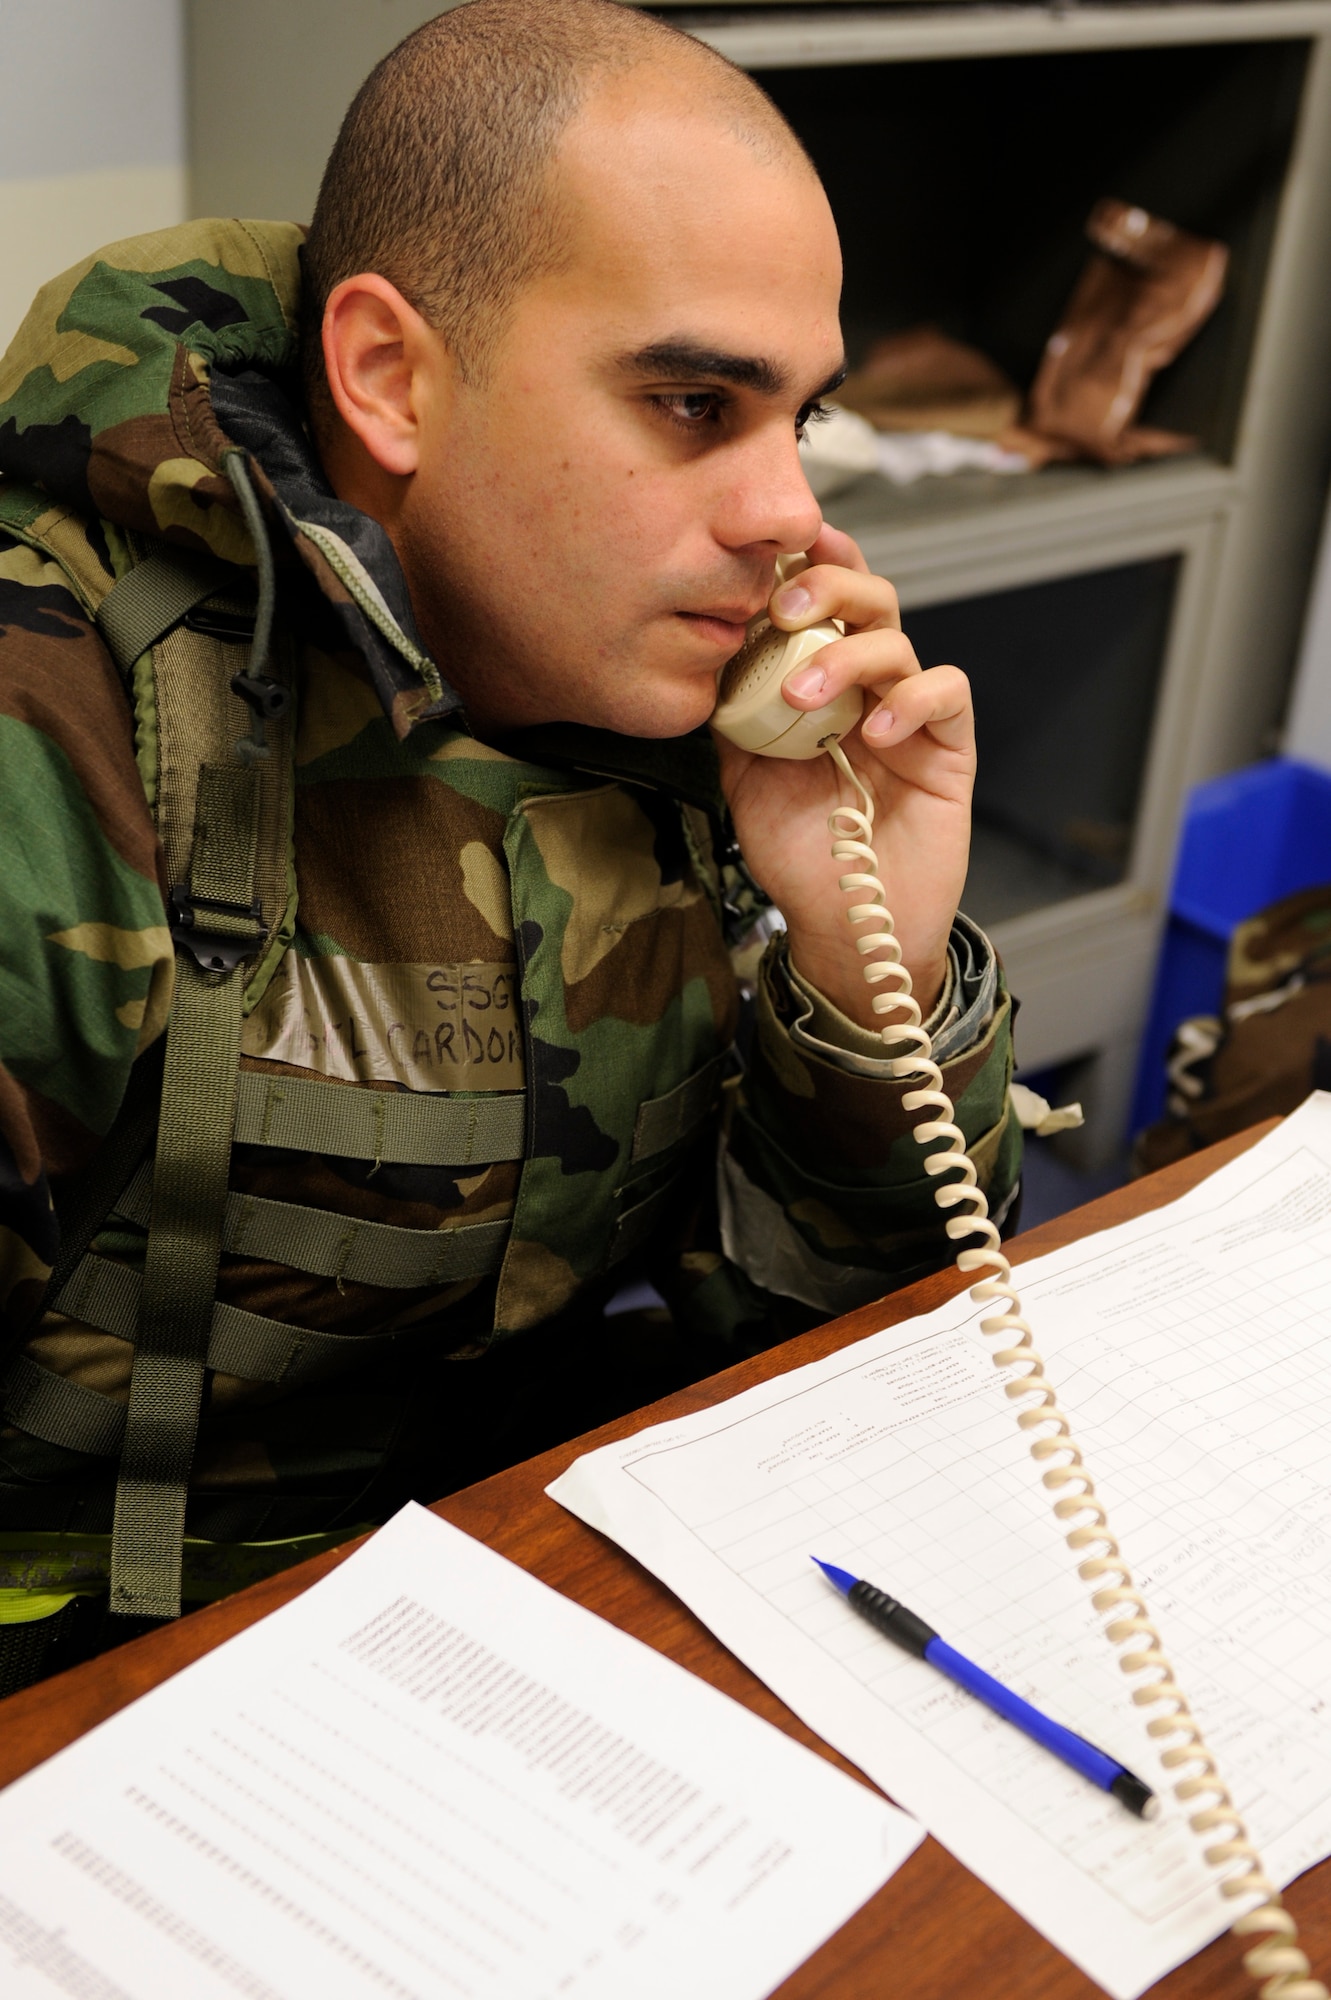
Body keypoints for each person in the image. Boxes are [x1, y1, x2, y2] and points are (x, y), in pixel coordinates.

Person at [0, 0, 1019, 1689]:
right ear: (390, 377)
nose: (787, 519)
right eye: (693, 401)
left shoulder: (657, 693)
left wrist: (869, 968)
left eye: (802, 423)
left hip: (528, 1616)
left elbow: (837, 1363)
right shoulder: (69, 728)